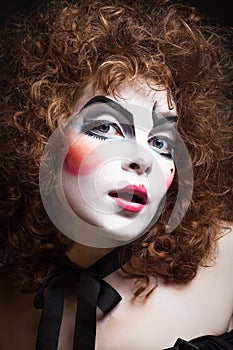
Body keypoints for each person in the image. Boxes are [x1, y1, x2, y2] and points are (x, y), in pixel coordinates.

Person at [0, 0, 232, 349]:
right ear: (41, 138)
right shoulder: (7, 296)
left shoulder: (226, 261)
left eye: (160, 141)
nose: (143, 159)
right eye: (106, 127)